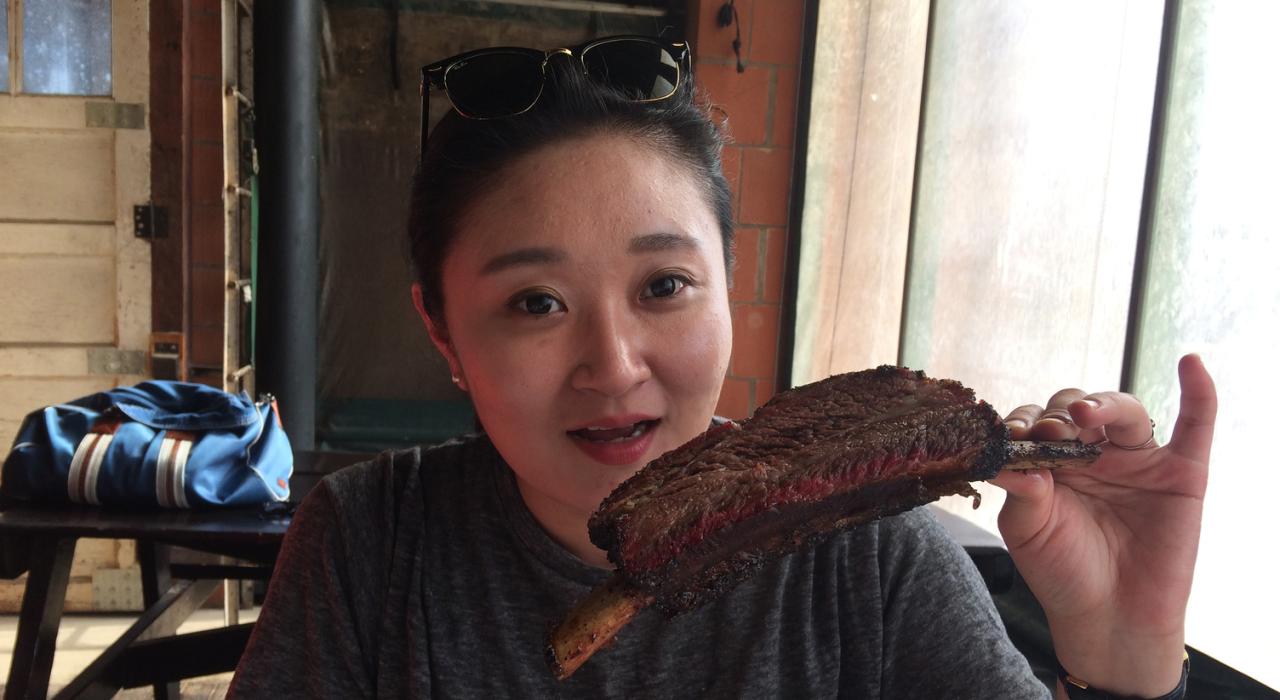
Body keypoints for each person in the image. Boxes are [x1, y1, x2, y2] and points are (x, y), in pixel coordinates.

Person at [229, 36, 1217, 699]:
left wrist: (1122, 658)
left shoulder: (864, 558)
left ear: (726, 287)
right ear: (442, 332)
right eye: (536, 303)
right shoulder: (371, 543)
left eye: (662, 285)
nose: (612, 366)